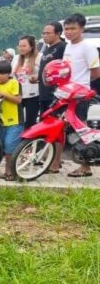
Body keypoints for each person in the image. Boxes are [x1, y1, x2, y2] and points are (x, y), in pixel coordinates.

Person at [62, 13, 100, 178]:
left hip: (80, 95)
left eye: (73, 28)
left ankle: (86, 166)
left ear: (81, 29)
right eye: (67, 29)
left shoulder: (88, 47)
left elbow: (96, 72)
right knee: (68, 130)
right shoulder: (68, 46)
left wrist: (82, 85)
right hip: (67, 93)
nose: (69, 32)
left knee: (81, 129)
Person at [11, 35, 41, 129]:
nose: (21, 48)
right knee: (17, 120)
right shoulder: (16, 58)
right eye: (20, 46)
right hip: (18, 94)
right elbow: (11, 75)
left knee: (30, 121)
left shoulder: (40, 57)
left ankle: (29, 142)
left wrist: (36, 77)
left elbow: (45, 73)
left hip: (33, 95)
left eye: (24, 46)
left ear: (31, 46)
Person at [38, 21, 66, 115]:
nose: (44, 36)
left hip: (55, 95)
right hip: (44, 94)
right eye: (43, 33)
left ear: (58, 33)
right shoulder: (47, 49)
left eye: (48, 33)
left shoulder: (63, 47)